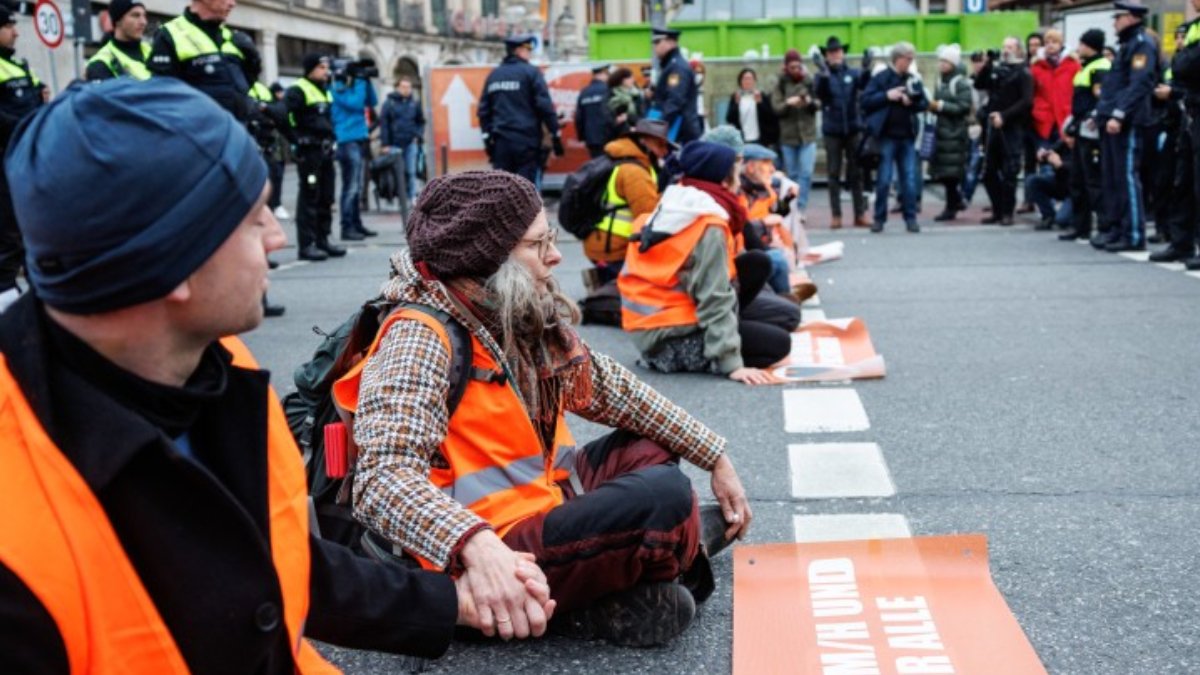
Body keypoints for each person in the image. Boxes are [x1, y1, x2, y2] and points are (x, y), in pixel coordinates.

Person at [0, 78, 552, 672]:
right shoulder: (16, 548)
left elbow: (275, 561)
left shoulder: (219, 363)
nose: (277, 236)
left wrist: (448, 604)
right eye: (252, 217)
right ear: (170, 264)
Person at [337, 169, 752, 647]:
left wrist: (714, 455)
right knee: (665, 496)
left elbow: (617, 392)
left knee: (651, 448)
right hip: (478, 548)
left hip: (539, 500)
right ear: (488, 260)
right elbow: (381, 480)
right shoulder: (419, 337)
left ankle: (620, 578)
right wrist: (475, 544)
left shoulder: (506, 312)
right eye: (538, 245)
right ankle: (661, 556)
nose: (555, 256)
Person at [620, 140, 792, 382]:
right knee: (778, 343)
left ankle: (725, 329)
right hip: (669, 338)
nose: (738, 180)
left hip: (650, 326)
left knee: (756, 263)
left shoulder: (674, 204)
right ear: (722, 179)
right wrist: (732, 364)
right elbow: (714, 295)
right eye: (735, 173)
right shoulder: (708, 224)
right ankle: (714, 345)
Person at [1093, 1, 1158, 252]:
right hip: (1113, 119)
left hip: (1127, 121)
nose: (1114, 22)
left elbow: (1139, 84)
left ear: (1131, 17)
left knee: (1127, 178)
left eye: (1118, 17)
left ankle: (1133, 234)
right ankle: (1118, 229)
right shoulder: (1128, 44)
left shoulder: (1141, 43)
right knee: (1114, 178)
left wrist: (1119, 114)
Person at [585, 118, 673, 284]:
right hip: (614, 249)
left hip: (601, 242)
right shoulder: (634, 172)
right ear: (644, 142)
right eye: (660, 145)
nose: (664, 152)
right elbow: (648, 215)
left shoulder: (627, 161)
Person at [0, 4, 46, 308]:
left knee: (31, 233)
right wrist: (30, 125)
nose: (16, 31)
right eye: (9, 26)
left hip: (23, 161)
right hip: (4, 162)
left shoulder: (17, 66)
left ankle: (35, 300)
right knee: (7, 238)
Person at [239, 34, 287, 317]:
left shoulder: (258, 89)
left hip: (261, 153)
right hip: (238, 157)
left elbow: (280, 115)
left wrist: (265, 109)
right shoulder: (235, 92)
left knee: (260, 220)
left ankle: (260, 297)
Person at [478, 34, 563, 185]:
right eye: (527, 49)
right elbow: (544, 106)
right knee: (525, 189)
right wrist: (555, 134)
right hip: (526, 142)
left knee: (503, 188)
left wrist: (487, 139)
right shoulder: (531, 73)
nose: (529, 53)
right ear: (518, 51)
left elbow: (484, 111)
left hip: (500, 142)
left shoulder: (494, 75)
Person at [285, 54, 347, 261]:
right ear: (310, 68)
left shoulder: (324, 91)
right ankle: (307, 245)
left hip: (325, 151)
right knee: (309, 197)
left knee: (326, 197)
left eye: (327, 67)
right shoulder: (297, 89)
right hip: (309, 151)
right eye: (321, 67)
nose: (326, 71)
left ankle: (323, 240)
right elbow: (283, 116)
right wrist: (296, 140)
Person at [862, 42, 928, 233]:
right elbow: (865, 101)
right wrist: (887, 96)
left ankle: (911, 218)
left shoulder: (913, 79)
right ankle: (879, 218)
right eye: (908, 58)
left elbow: (923, 103)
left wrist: (912, 102)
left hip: (907, 136)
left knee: (908, 179)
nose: (910, 61)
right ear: (898, 58)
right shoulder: (881, 78)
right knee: (884, 179)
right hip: (886, 137)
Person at [149, 0, 251, 121]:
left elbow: (245, 82)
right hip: (200, 132)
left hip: (237, 131)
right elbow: (163, 94)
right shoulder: (170, 34)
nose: (232, 3)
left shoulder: (232, 37)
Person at [1150, 15, 1199, 263]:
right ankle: (1181, 244)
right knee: (1183, 183)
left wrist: (1184, 60)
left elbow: (1187, 65)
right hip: (1189, 117)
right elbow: (1181, 66)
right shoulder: (1194, 27)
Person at [1059, 29, 1111, 242]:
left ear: (1090, 45)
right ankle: (1081, 227)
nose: (1078, 48)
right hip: (1081, 128)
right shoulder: (1087, 67)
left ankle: (1104, 227)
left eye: (1081, 44)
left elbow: (1099, 100)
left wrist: (1088, 120)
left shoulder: (1100, 67)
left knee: (1093, 182)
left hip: (1092, 130)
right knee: (1078, 180)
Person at [974, 36, 1032, 226]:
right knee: (989, 171)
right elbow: (979, 83)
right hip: (994, 126)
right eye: (1004, 46)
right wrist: (989, 63)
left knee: (1009, 171)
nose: (1006, 50)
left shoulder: (1023, 72)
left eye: (1010, 47)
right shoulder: (999, 70)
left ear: (1018, 50)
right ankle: (997, 210)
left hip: (1012, 127)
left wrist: (1005, 116)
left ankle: (1007, 212)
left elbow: (1026, 101)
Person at [814, 36, 868, 229]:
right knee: (833, 173)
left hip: (853, 129)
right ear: (826, 56)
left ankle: (859, 214)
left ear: (843, 53)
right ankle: (836, 215)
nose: (835, 54)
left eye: (837, 51)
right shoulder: (822, 75)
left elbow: (864, 86)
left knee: (856, 173)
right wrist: (824, 74)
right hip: (832, 131)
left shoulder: (852, 73)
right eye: (831, 52)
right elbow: (820, 94)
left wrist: (867, 68)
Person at [332, 60, 380, 241]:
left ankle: (356, 223)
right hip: (347, 141)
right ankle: (347, 226)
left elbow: (372, 101)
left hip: (359, 139)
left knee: (358, 186)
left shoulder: (354, 86)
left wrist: (366, 81)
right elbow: (356, 103)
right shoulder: (337, 88)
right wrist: (360, 80)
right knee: (351, 187)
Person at [928, 44, 974, 222]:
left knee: (951, 174)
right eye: (941, 61)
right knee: (946, 173)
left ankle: (952, 205)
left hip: (955, 133)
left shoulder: (960, 83)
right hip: (942, 132)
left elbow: (963, 107)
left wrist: (940, 106)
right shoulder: (940, 81)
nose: (941, 64)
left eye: (945, 61)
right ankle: (955, 201)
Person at [771, 50, 819, 218]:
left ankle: (801, 207)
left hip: (808, 134)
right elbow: (776, 108)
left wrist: (809, 102)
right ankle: (791, 208)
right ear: (786, 67)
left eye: (798, 67)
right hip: (788, 136)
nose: (795, 70)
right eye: (792, 67)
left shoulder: (809, 81)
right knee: (792, 175)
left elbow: (818, 103)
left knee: (806, 173)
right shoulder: (781, 84)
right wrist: (788, 103)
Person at [650, 27, 701, 145]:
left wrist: (658, 128)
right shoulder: (672, 65)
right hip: (679, 130)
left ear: (671, 42)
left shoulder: (676, 68)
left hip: (679, 132)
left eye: (658, 42)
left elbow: (675, 101)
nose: (655, 47)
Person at [1030, 30, 1080, 150]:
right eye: (1047, 42)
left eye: (1054, 42)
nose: (1050, 45)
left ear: (1061, 44)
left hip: (1065, 117)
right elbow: (1032, 92)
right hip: (1043, 119)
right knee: (1044, 158)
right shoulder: (1036, 66)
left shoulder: (1073, 65)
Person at [380, 76, 426, 205]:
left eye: (408, 87)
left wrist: (417, 135)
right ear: (398, 88)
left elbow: (420, 122)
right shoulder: (389, 103)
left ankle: (412, 197)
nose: (406, 90)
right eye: (403, 87)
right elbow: (384, 124)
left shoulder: (414, 103)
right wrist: (385, 144)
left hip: (410, 142)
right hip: (394, 144)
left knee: (411, 171)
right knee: (397, 173)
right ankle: (398, 197)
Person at [85, 0, 150, 81]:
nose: (143, 22)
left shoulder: (152, 50)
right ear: (118, 21)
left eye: (144, 16)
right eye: (135, 15)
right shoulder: (101, 63)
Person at [1025, 138, 1073, 229]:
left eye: (1071, 138)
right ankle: (1048, 215)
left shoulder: (1084, 147)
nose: (1068, 140)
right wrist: (1043, 154)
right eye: (1066, 137)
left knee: (1062, 220)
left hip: (1076, 191)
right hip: (1061, 184)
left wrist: (1061, 165)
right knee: (1033, 181)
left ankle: (1078, 217)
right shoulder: (1063, 143)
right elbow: (1050, 151)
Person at [575, 63, 613, 158]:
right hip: (608, 136)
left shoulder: (584, 92)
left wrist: (582, 136)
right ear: (604, 73)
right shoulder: (609, 90)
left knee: (597, 166)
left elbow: (579, 117)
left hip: (591, 138)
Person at [606, 67, 643, 138]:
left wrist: (629, 118)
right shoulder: (611, 95)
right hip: (617, 135)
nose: (633, 80)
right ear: (622, 80)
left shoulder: (636, 94)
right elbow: (610, 118)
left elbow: (641, 115)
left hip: (636, 133)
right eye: (630, 78)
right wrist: (628, 129)